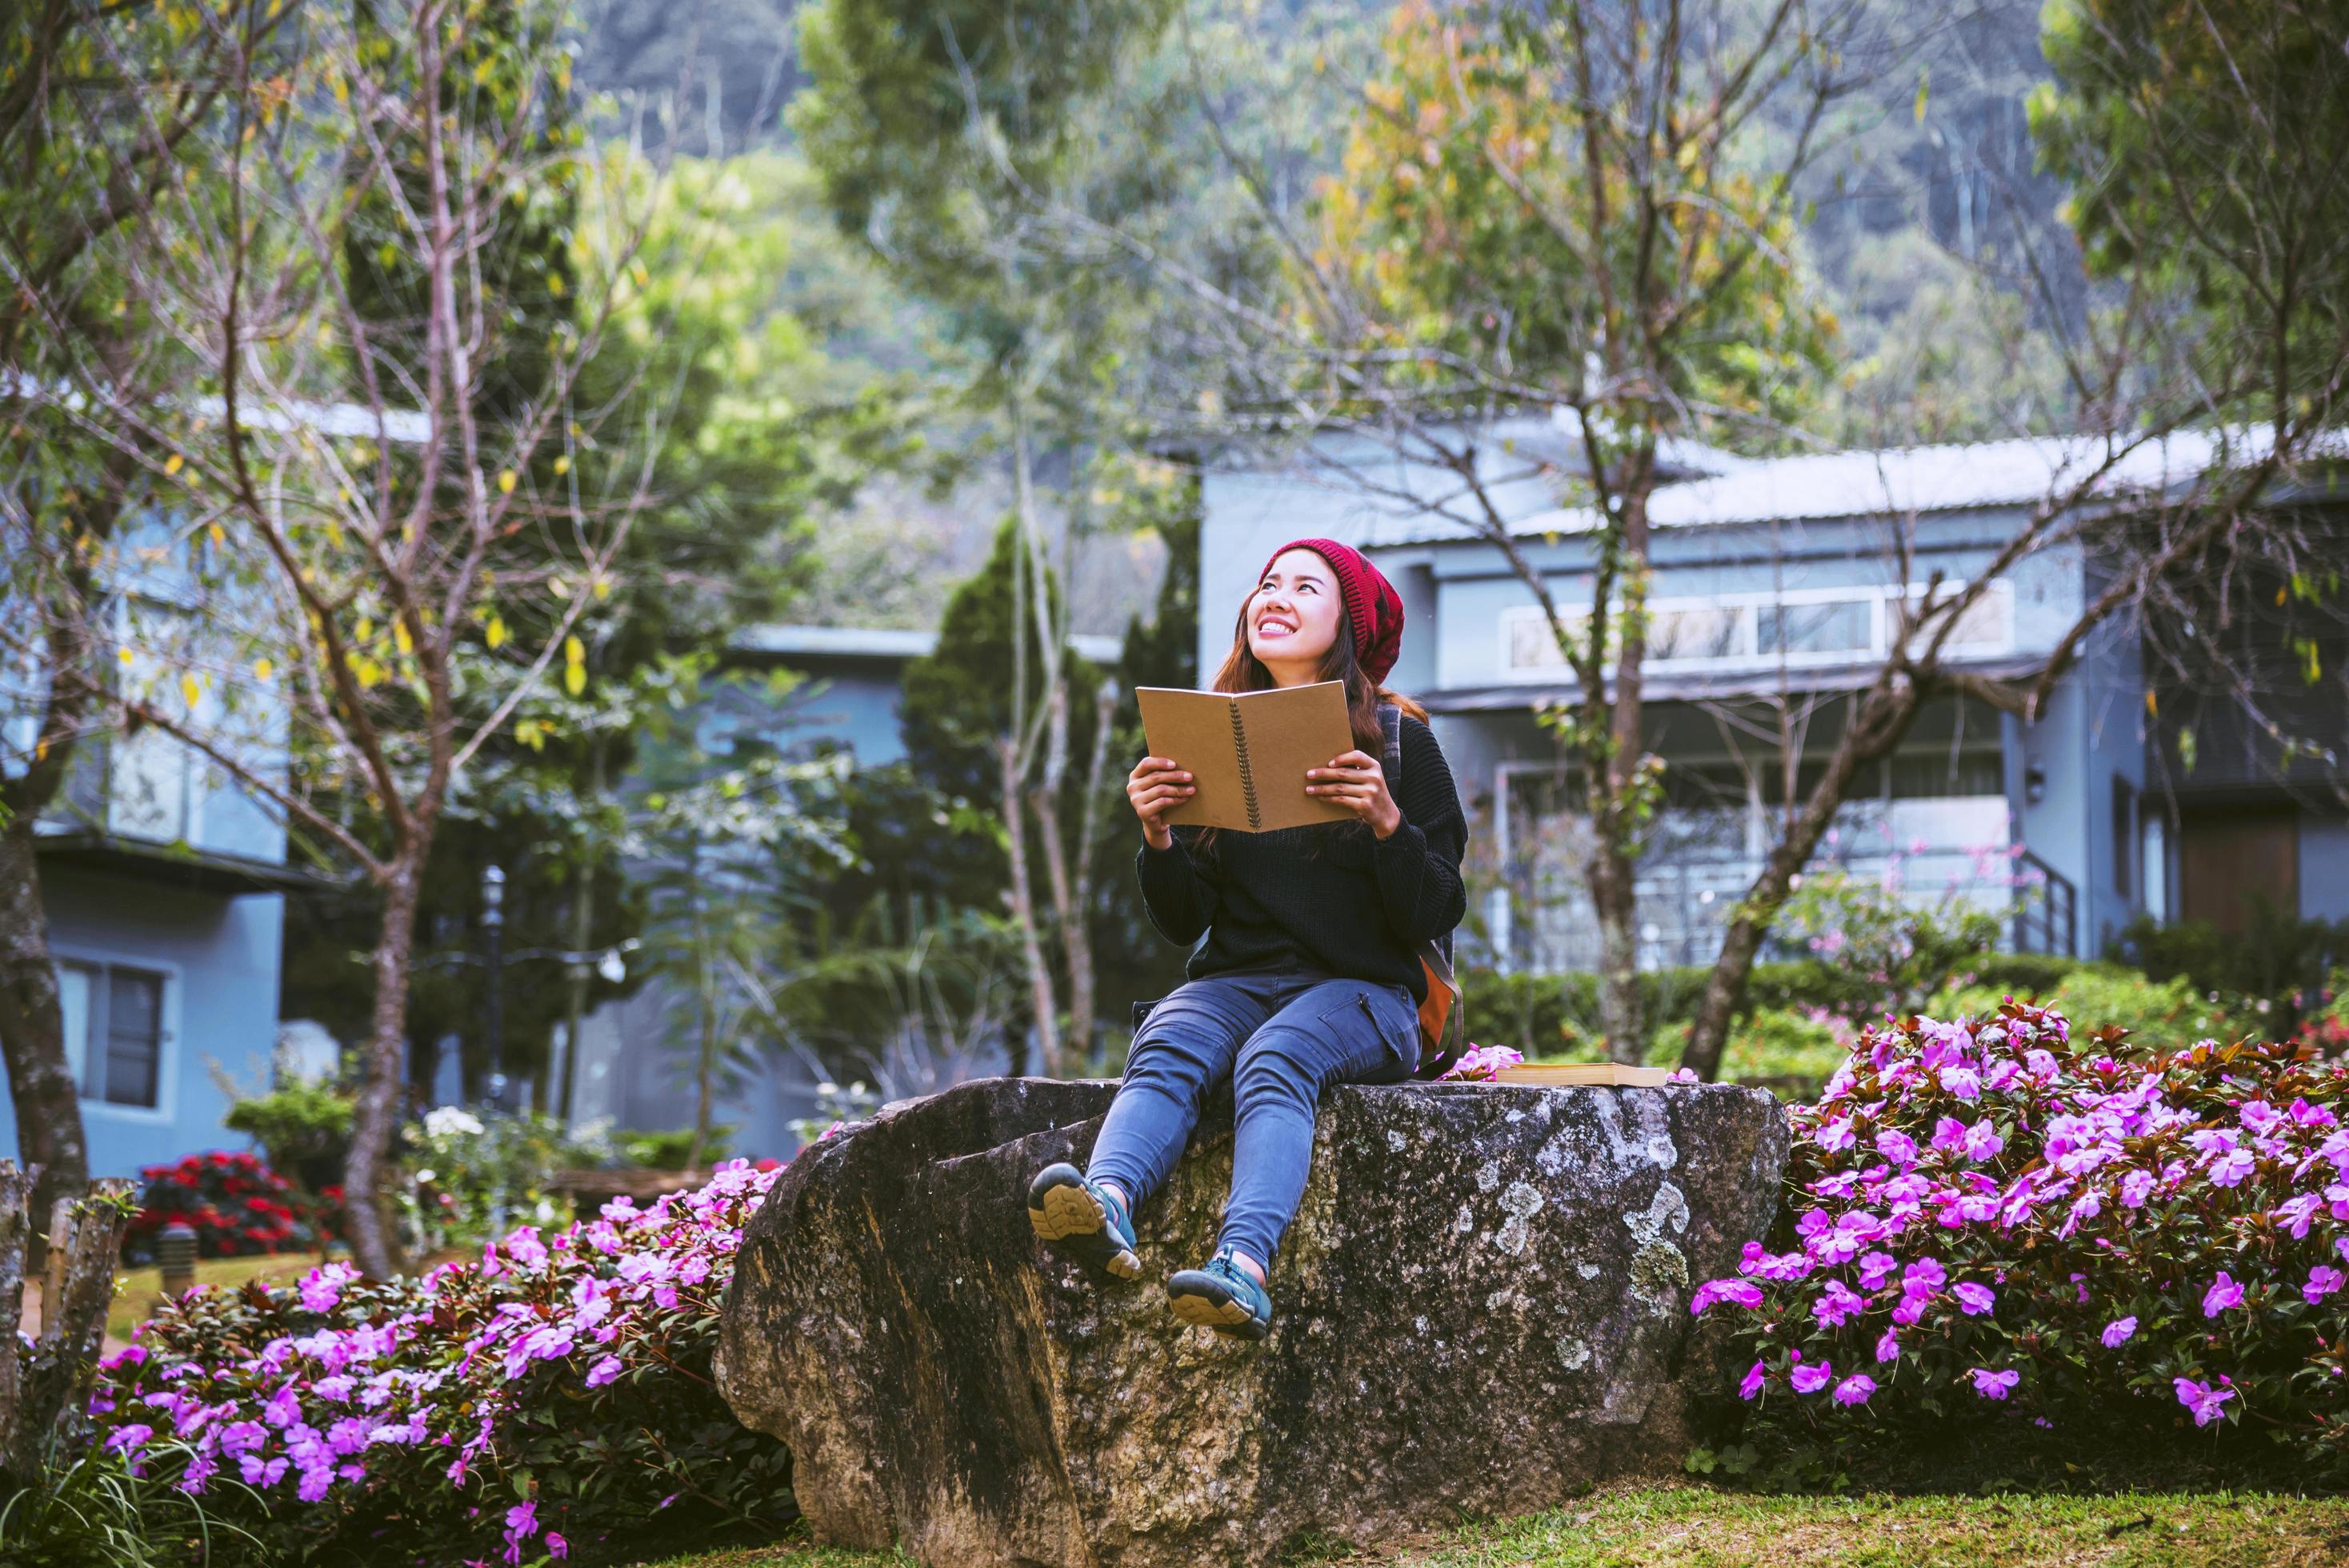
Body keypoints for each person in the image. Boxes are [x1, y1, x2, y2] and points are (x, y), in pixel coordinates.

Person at [1026, 537, 1468, 1339]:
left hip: (1366, 993)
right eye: (1267, 582)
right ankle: (1105, 1207)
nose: (1276, 596)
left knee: (1275, 1056)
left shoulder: (1400, 743)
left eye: (1306, 587)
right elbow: (1184, 920)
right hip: (1237, 979)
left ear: (1346, 626)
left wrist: (1385, 822)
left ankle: (1242, 1269)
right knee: (1167, 1038)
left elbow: (1436, 909)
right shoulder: (1205, 735)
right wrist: (1157, 835)